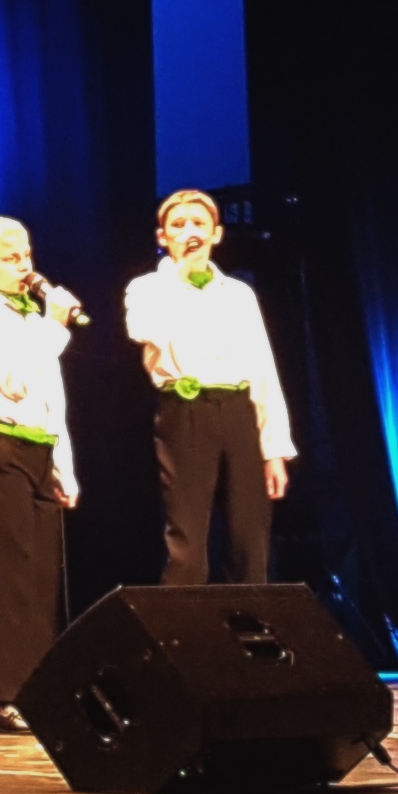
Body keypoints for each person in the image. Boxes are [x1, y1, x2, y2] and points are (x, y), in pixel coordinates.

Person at [0, 216, 85, 737]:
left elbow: (52, 400)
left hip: (40, 451)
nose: (25, 265)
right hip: (1, 449)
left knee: (41, 579)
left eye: (27, 254)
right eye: (11, 258)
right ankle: (2, 698)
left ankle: (38, 691)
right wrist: (55, 325)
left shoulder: (32, 318)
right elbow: (15, 381)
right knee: (10, 578)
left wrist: (63, 467)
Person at [122, 190, 290, 585]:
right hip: (186, 412)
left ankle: (247, 621)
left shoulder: (238, 294)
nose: (190, 233)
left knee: (250, 539)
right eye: (178, 226)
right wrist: (177, 278)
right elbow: (142, 330)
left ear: (217, 234)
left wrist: (274, 451)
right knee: (188, 539)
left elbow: (262, 369)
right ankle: (184, 622)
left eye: (199, 224)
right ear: (162, 237)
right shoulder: (147, 288)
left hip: (237, 410)